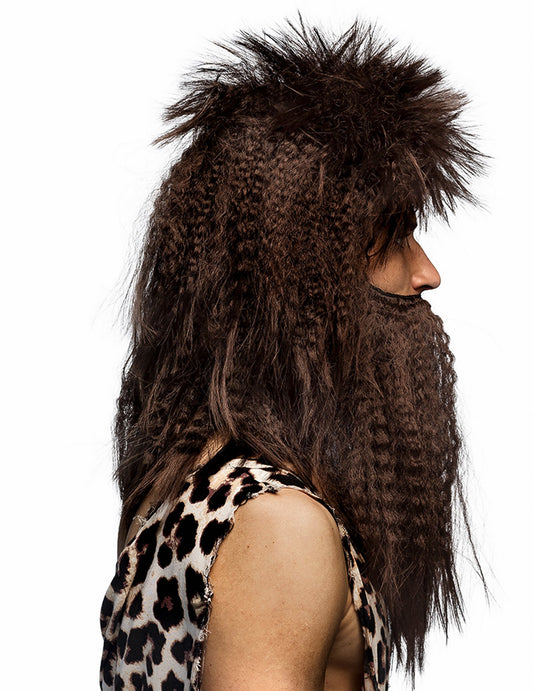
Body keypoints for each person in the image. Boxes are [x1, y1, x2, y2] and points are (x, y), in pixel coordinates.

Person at [99, 13, 489, 691]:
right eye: (395, 237)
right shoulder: (279, 526)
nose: (427, 273)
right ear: (307, 282)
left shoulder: (192, 489)